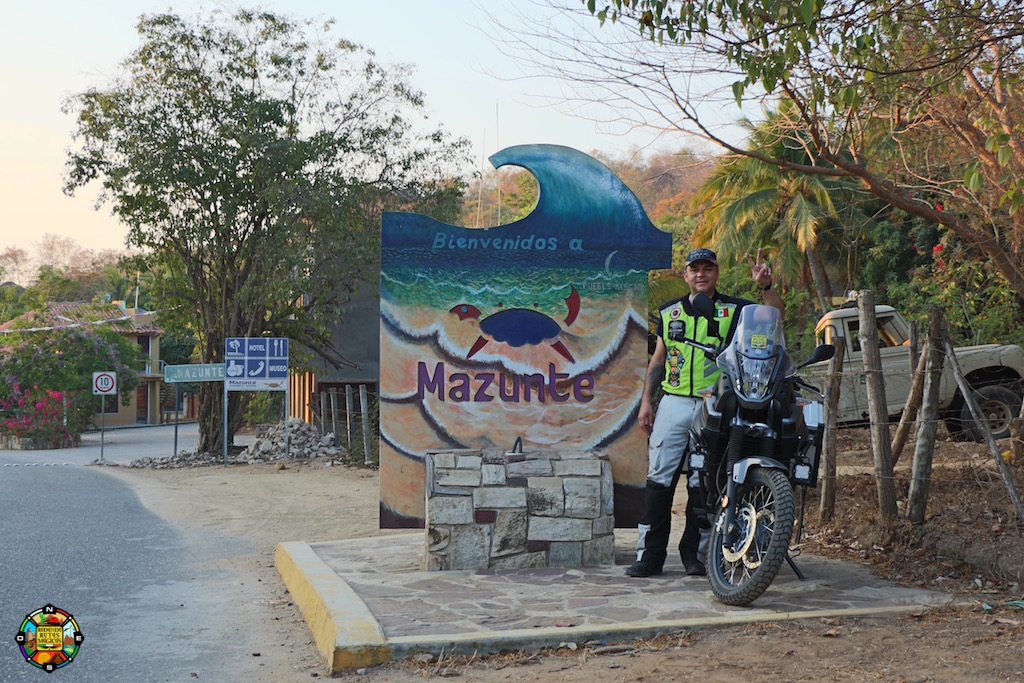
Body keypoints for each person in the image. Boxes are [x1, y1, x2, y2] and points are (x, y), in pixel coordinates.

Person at [626, 247, 785, 578]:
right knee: (659, 480)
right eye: (694, 269)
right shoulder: (669, 313)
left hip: (716, 405)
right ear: (685, 275)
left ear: (716, 273)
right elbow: (658, 361)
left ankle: (695, 555)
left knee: (704, 482)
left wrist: (766, 288)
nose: (701, 274)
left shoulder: (738, 310)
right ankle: (649, 555)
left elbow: (774, 318)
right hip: (673, 402)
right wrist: (646, 401)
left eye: (707, 268)